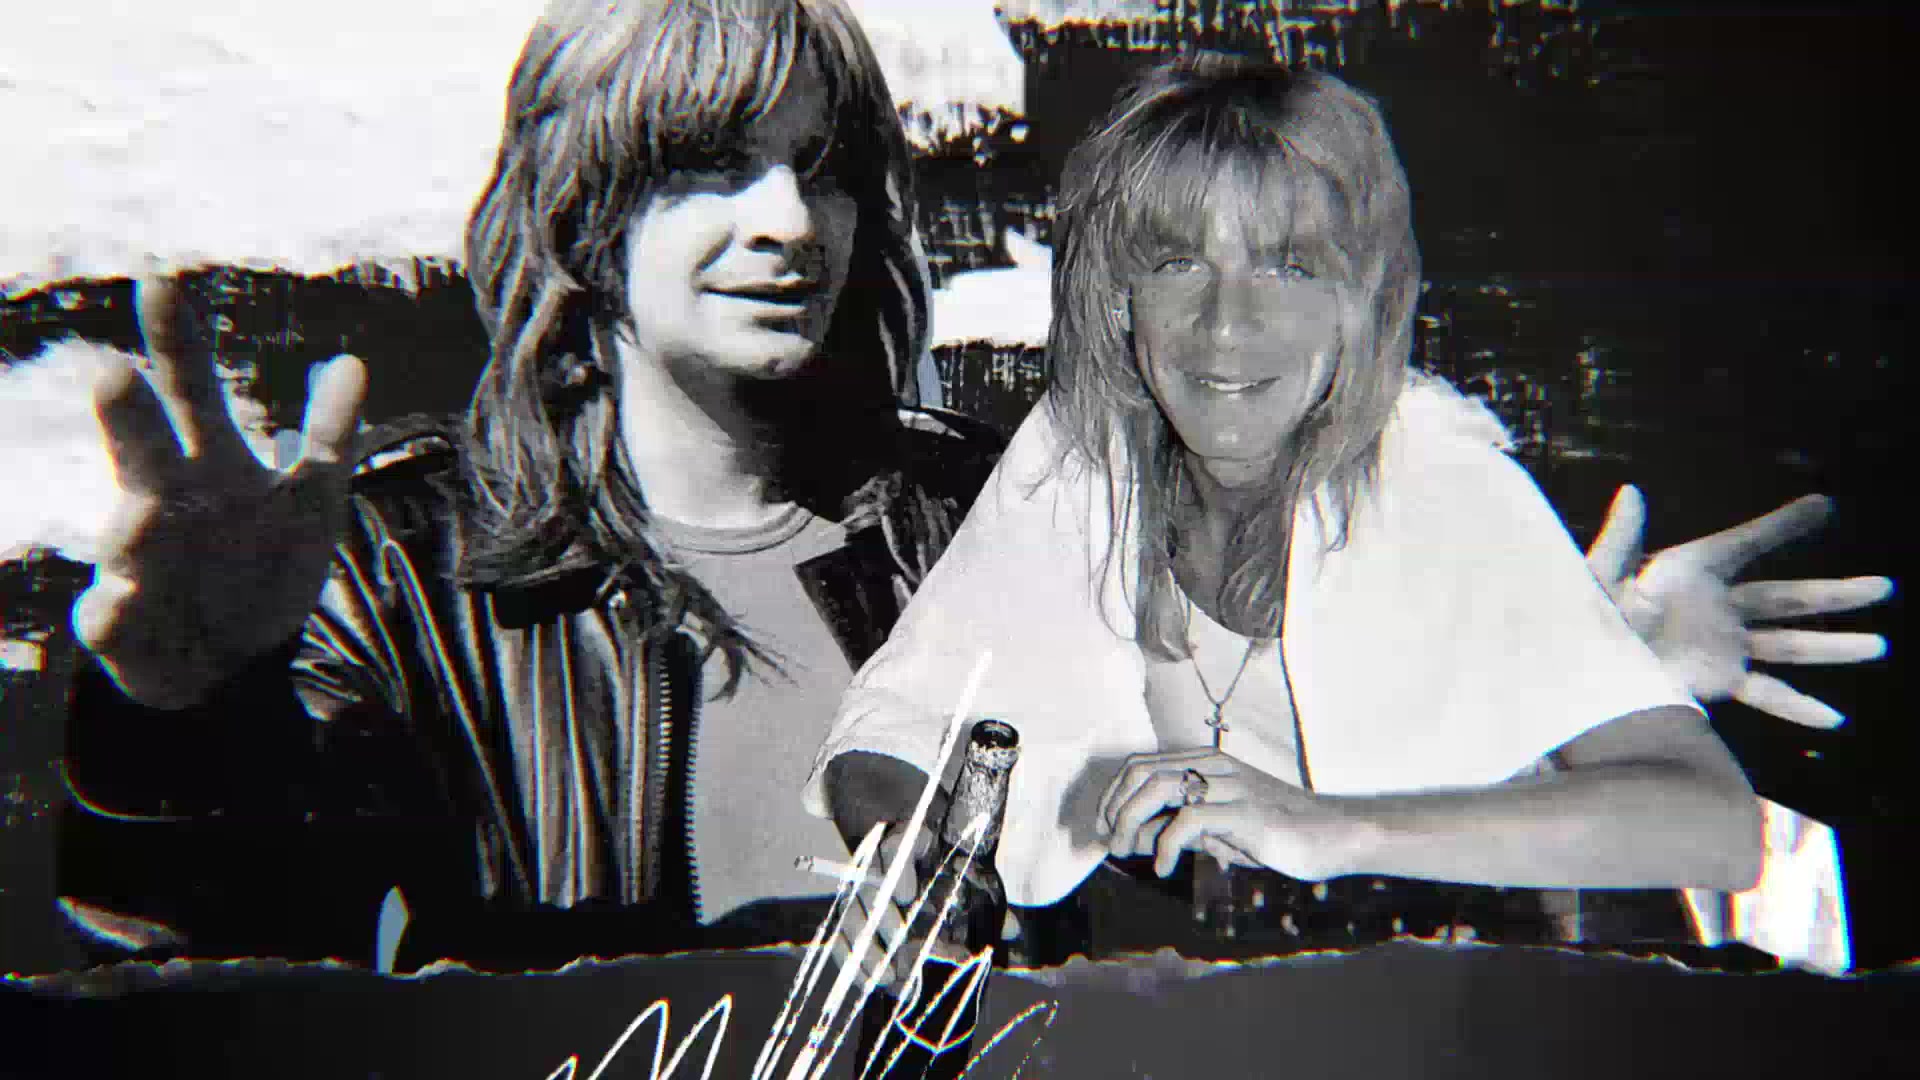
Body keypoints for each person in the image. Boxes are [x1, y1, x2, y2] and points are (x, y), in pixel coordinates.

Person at [805, 52, 1889, 967]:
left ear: (1362, 300)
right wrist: (909, 863)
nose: (1226, 324)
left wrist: (1327, 828)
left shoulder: (1438, 471)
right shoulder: (1085, 445)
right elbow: (891, 728)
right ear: (1118, 300)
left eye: (1289, 267)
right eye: (1177, 262)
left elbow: (1711, 825)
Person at [59, 0, 1000, 971]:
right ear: (581, 206)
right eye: (714, 164)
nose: (788, 221)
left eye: (821, 165)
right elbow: (230, 984)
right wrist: (181, 723)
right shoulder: (400, 575)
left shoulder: (992, 518)